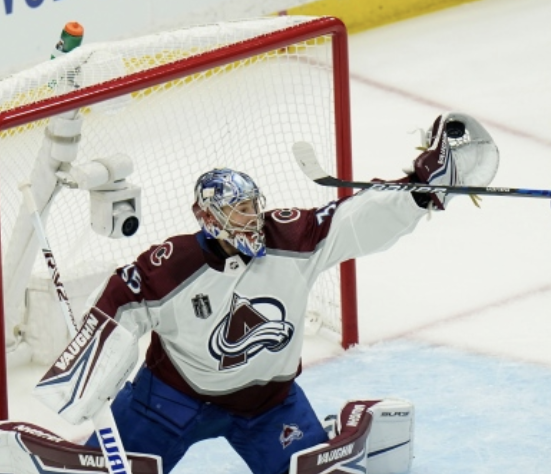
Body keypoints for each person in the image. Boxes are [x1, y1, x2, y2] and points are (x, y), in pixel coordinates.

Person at [31, 112, 498, 474]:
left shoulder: (290, 239)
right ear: (209, 219)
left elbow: (353, 218)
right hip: (170, 400)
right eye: (236, 213)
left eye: (253, 207)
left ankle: (325, 433)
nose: (251, 220)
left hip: (267, 404)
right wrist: (84, 382)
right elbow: (120, 300)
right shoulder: (172, 265)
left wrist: (417, 190)